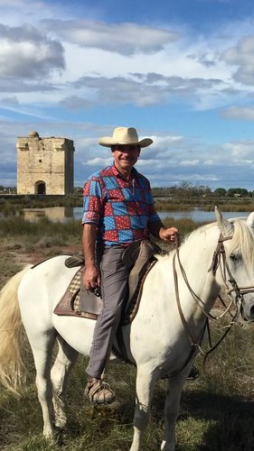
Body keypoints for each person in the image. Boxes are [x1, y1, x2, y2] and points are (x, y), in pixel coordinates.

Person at [81, 126, 179, 405]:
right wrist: (91, 266)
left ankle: (174, 359)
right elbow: (89, 227)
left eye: (132, 148)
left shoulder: (143, 183)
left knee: (173, 290)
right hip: (114, 251)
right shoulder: (98, 181)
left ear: (139, 152)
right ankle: (94, 377)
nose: (127, 153)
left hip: (144, 248)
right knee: (112, 308)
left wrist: (163, 233)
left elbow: (152, 219)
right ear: (113, 151)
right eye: (121, 148)